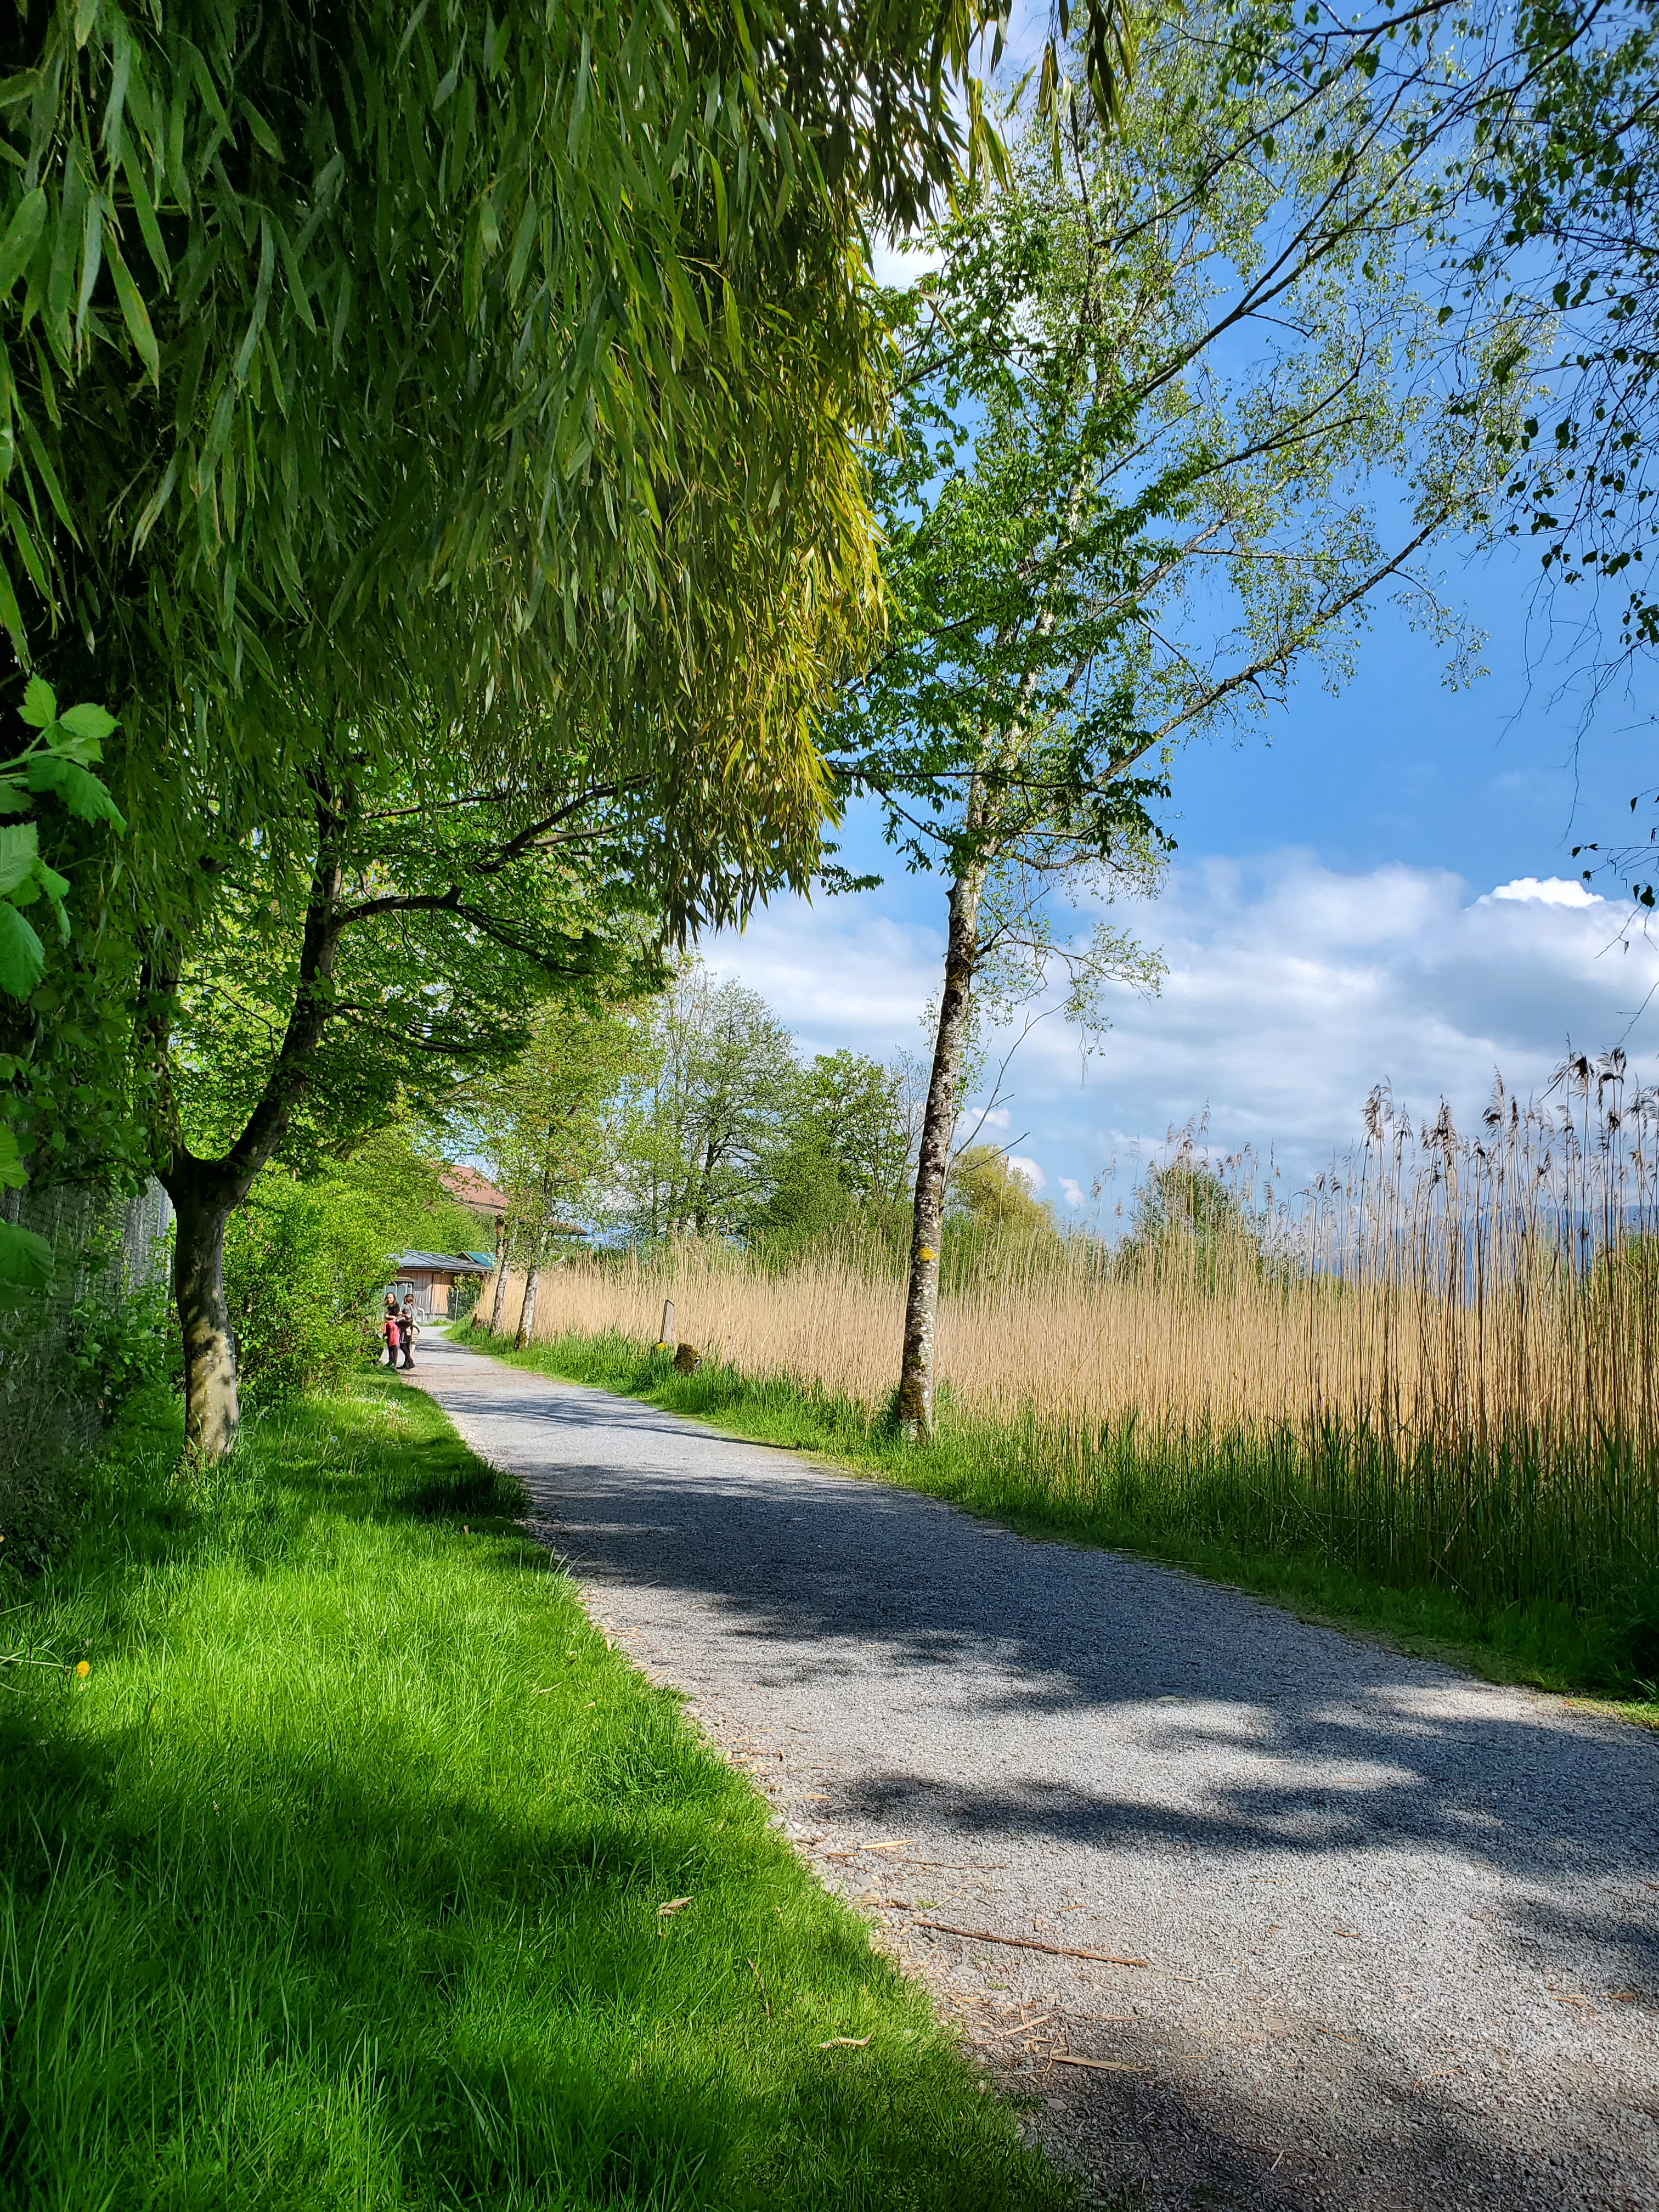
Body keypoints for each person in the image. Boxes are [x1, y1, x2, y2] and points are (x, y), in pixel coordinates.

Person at [380, 1294, 402, 1367]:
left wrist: (389, 1317)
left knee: (394, 1344)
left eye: (391, 1298)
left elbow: (397, 1316)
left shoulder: (396, 1306)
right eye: (388, 1298)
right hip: (387, 1327)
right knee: (388, 1343)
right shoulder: (386, 1306)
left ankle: (394, 1361)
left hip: (393, 1327)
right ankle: (390, 1360)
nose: (389, 1299)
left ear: (394, 1298)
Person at [400, 1295, 420, 1370]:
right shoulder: (415, 1307)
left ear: (406, 1299)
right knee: (408, 1346)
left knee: (403, 1346)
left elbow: (408, 1316)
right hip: (413, 1327)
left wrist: (401, 1315)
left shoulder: (407, 1307)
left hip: (407, 1328)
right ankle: (406, 1364)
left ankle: (410, 1361)